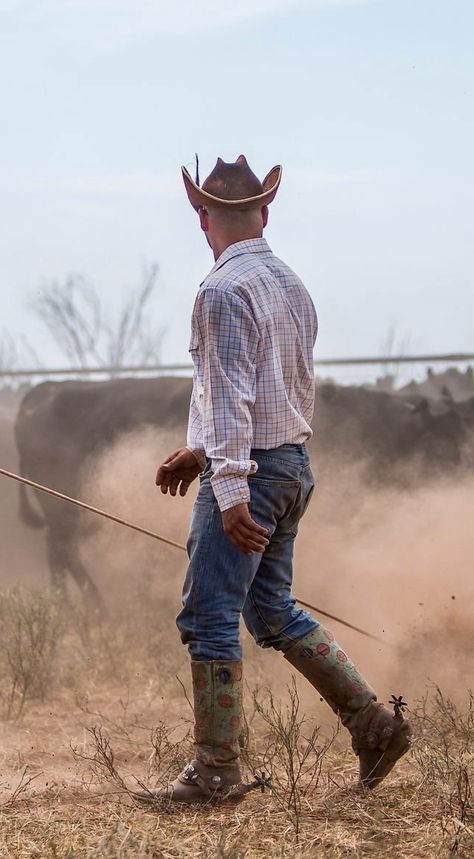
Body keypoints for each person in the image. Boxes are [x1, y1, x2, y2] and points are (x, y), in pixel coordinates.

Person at [135, 155, 411, 804]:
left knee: (208, 614)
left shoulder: (222, 291)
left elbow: (232, 397)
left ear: (202, 218)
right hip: (290, 466)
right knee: (271, 608)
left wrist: (228, 488)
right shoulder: (289, 284)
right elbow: (262, 389)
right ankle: (374, 725)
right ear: (266, 212)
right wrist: (199, 451)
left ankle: (215, 774)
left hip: (253, 472)